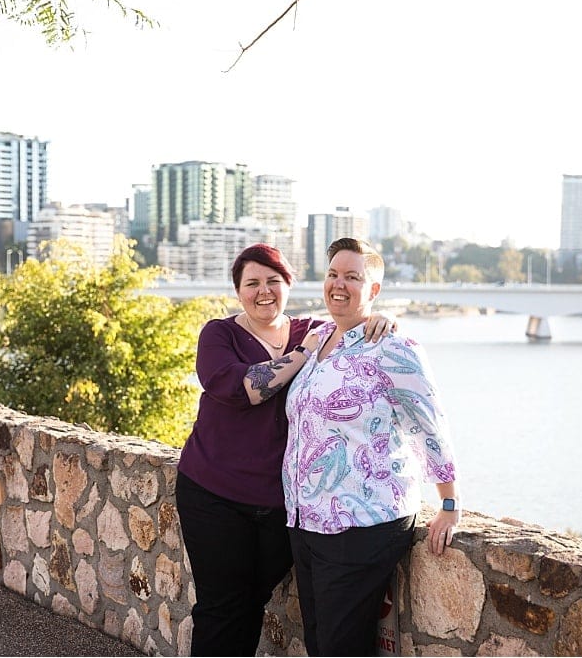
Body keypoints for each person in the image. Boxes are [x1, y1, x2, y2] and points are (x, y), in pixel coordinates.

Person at [176, 243, 392, 656]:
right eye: (252, 283)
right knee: (222, 607)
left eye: (273, 281)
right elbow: (248, 389)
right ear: (238, 290)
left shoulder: (313, 330)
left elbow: (354, 320)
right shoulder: (220, 335)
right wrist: (302, 354)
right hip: (213, 496)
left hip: (279, 507)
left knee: (251, 603)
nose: (263, 292)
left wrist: (383, 319)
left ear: (288, 286)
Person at [283, 237, 460, 656]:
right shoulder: (317, 338)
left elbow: (430, 426)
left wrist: (449, 504)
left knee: (338, 648)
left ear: (374, 289)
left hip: (362, 524)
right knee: (320, 643)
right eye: (332, 274)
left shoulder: (394, 348)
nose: (338, 284)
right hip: (306, 522)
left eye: (353, 277)